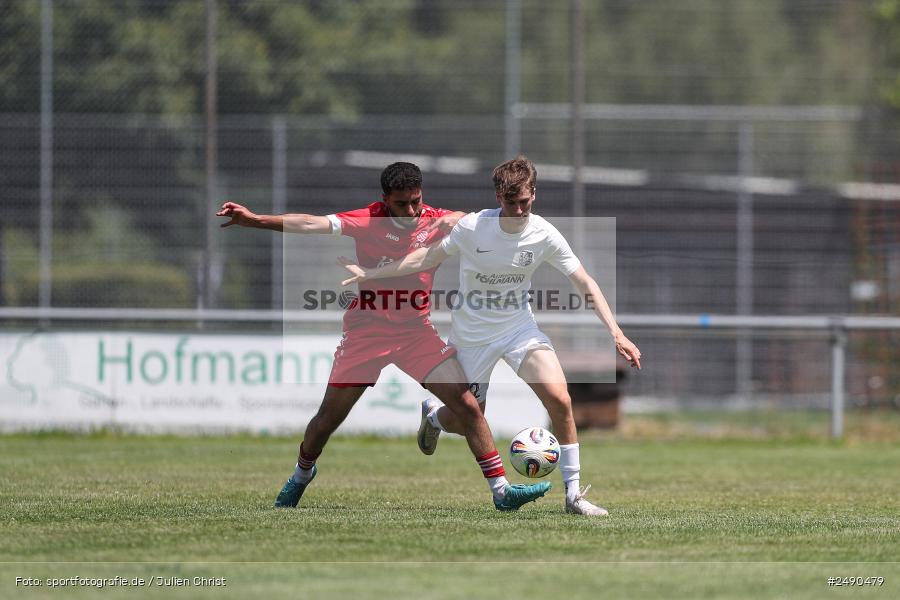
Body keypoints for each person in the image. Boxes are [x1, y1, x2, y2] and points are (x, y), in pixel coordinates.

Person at [217, 162, 550, 512]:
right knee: (327, 421)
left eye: (416, 202)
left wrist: (451, 218)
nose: (411, 210)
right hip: (367, 334)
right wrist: (254, 220)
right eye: (402, 204)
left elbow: (471, 219)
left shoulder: (435, 218)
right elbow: (311, 223)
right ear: (385, 200)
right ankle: (301, 474)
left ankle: (501, 492)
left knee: (468, 404)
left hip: (416, 333)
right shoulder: (367, 219)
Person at [341, 156, 642, 516]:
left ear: (534, 194)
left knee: (560, 398)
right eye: (511, 202)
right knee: (468, 417)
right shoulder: (472, 227)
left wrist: (616, 333)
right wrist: (375, 274)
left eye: (525, 202)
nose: (518, 210)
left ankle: (573, 496)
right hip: (471, 337)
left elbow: (584, 282)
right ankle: (436, 418)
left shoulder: (544, 233)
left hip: (519, 330)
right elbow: (424, 257)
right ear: (498, 197)